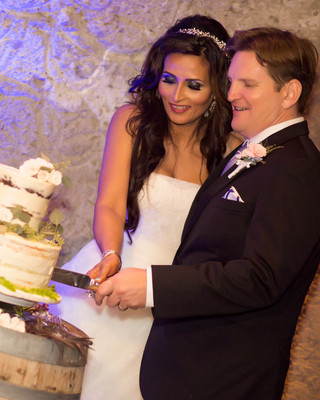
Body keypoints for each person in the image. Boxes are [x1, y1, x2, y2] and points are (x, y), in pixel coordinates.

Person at [94, 27, 320, 400]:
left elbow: (260, 278)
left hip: (223, 377)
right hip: (184, 369)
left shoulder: (299, 169)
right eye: (230, 82)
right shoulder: (254, 154)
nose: (231, 95)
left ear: (290, 93)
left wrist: (152, 286)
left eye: (247, 84)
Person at [50, 15, 239, 399]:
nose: (177, 95)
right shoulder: (132, 121)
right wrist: (110, 253)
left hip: (166, 310)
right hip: (108, 282)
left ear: (218, 89)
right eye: (169, 80)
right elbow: (109, 204)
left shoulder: (234, 151)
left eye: (194, 85)